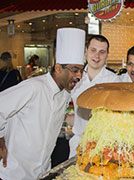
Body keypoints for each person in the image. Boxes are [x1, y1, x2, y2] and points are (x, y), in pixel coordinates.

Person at [0, 27, 85, 179]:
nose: (78, 75)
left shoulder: (65, 94)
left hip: (42, 171)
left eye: (81, 70)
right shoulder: (34, 87)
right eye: (74, 70)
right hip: (13, 172)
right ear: (58, 68)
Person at [68, 35, 120, 158]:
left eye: (102, 52)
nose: (97, 56)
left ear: (107, 55)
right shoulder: (74, 78)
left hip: (104, 145)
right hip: (78, 142)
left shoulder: (114, 81)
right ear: (86, 51)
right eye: (93, 50)